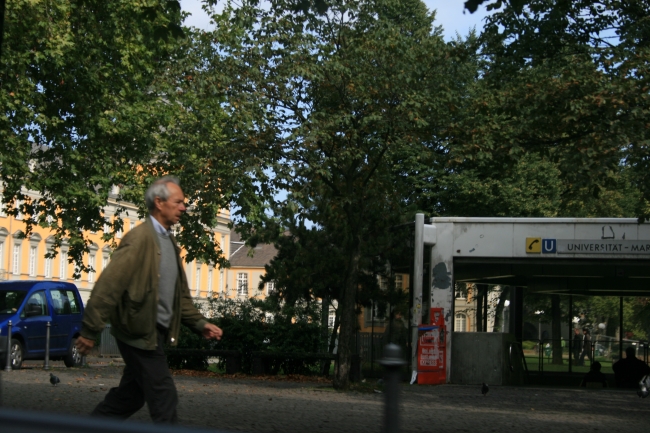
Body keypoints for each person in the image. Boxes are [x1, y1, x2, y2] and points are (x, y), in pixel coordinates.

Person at [75, 176, 223, 423]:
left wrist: (200, 323)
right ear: (159, 203)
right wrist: (90, 331)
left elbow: (179, 297)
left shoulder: (169, 242)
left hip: (153, 334)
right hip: (139, 334)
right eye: (178, 202)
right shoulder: (140, 239)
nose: (183, 207)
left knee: (130, 397)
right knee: (164, 396)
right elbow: (108, 286)